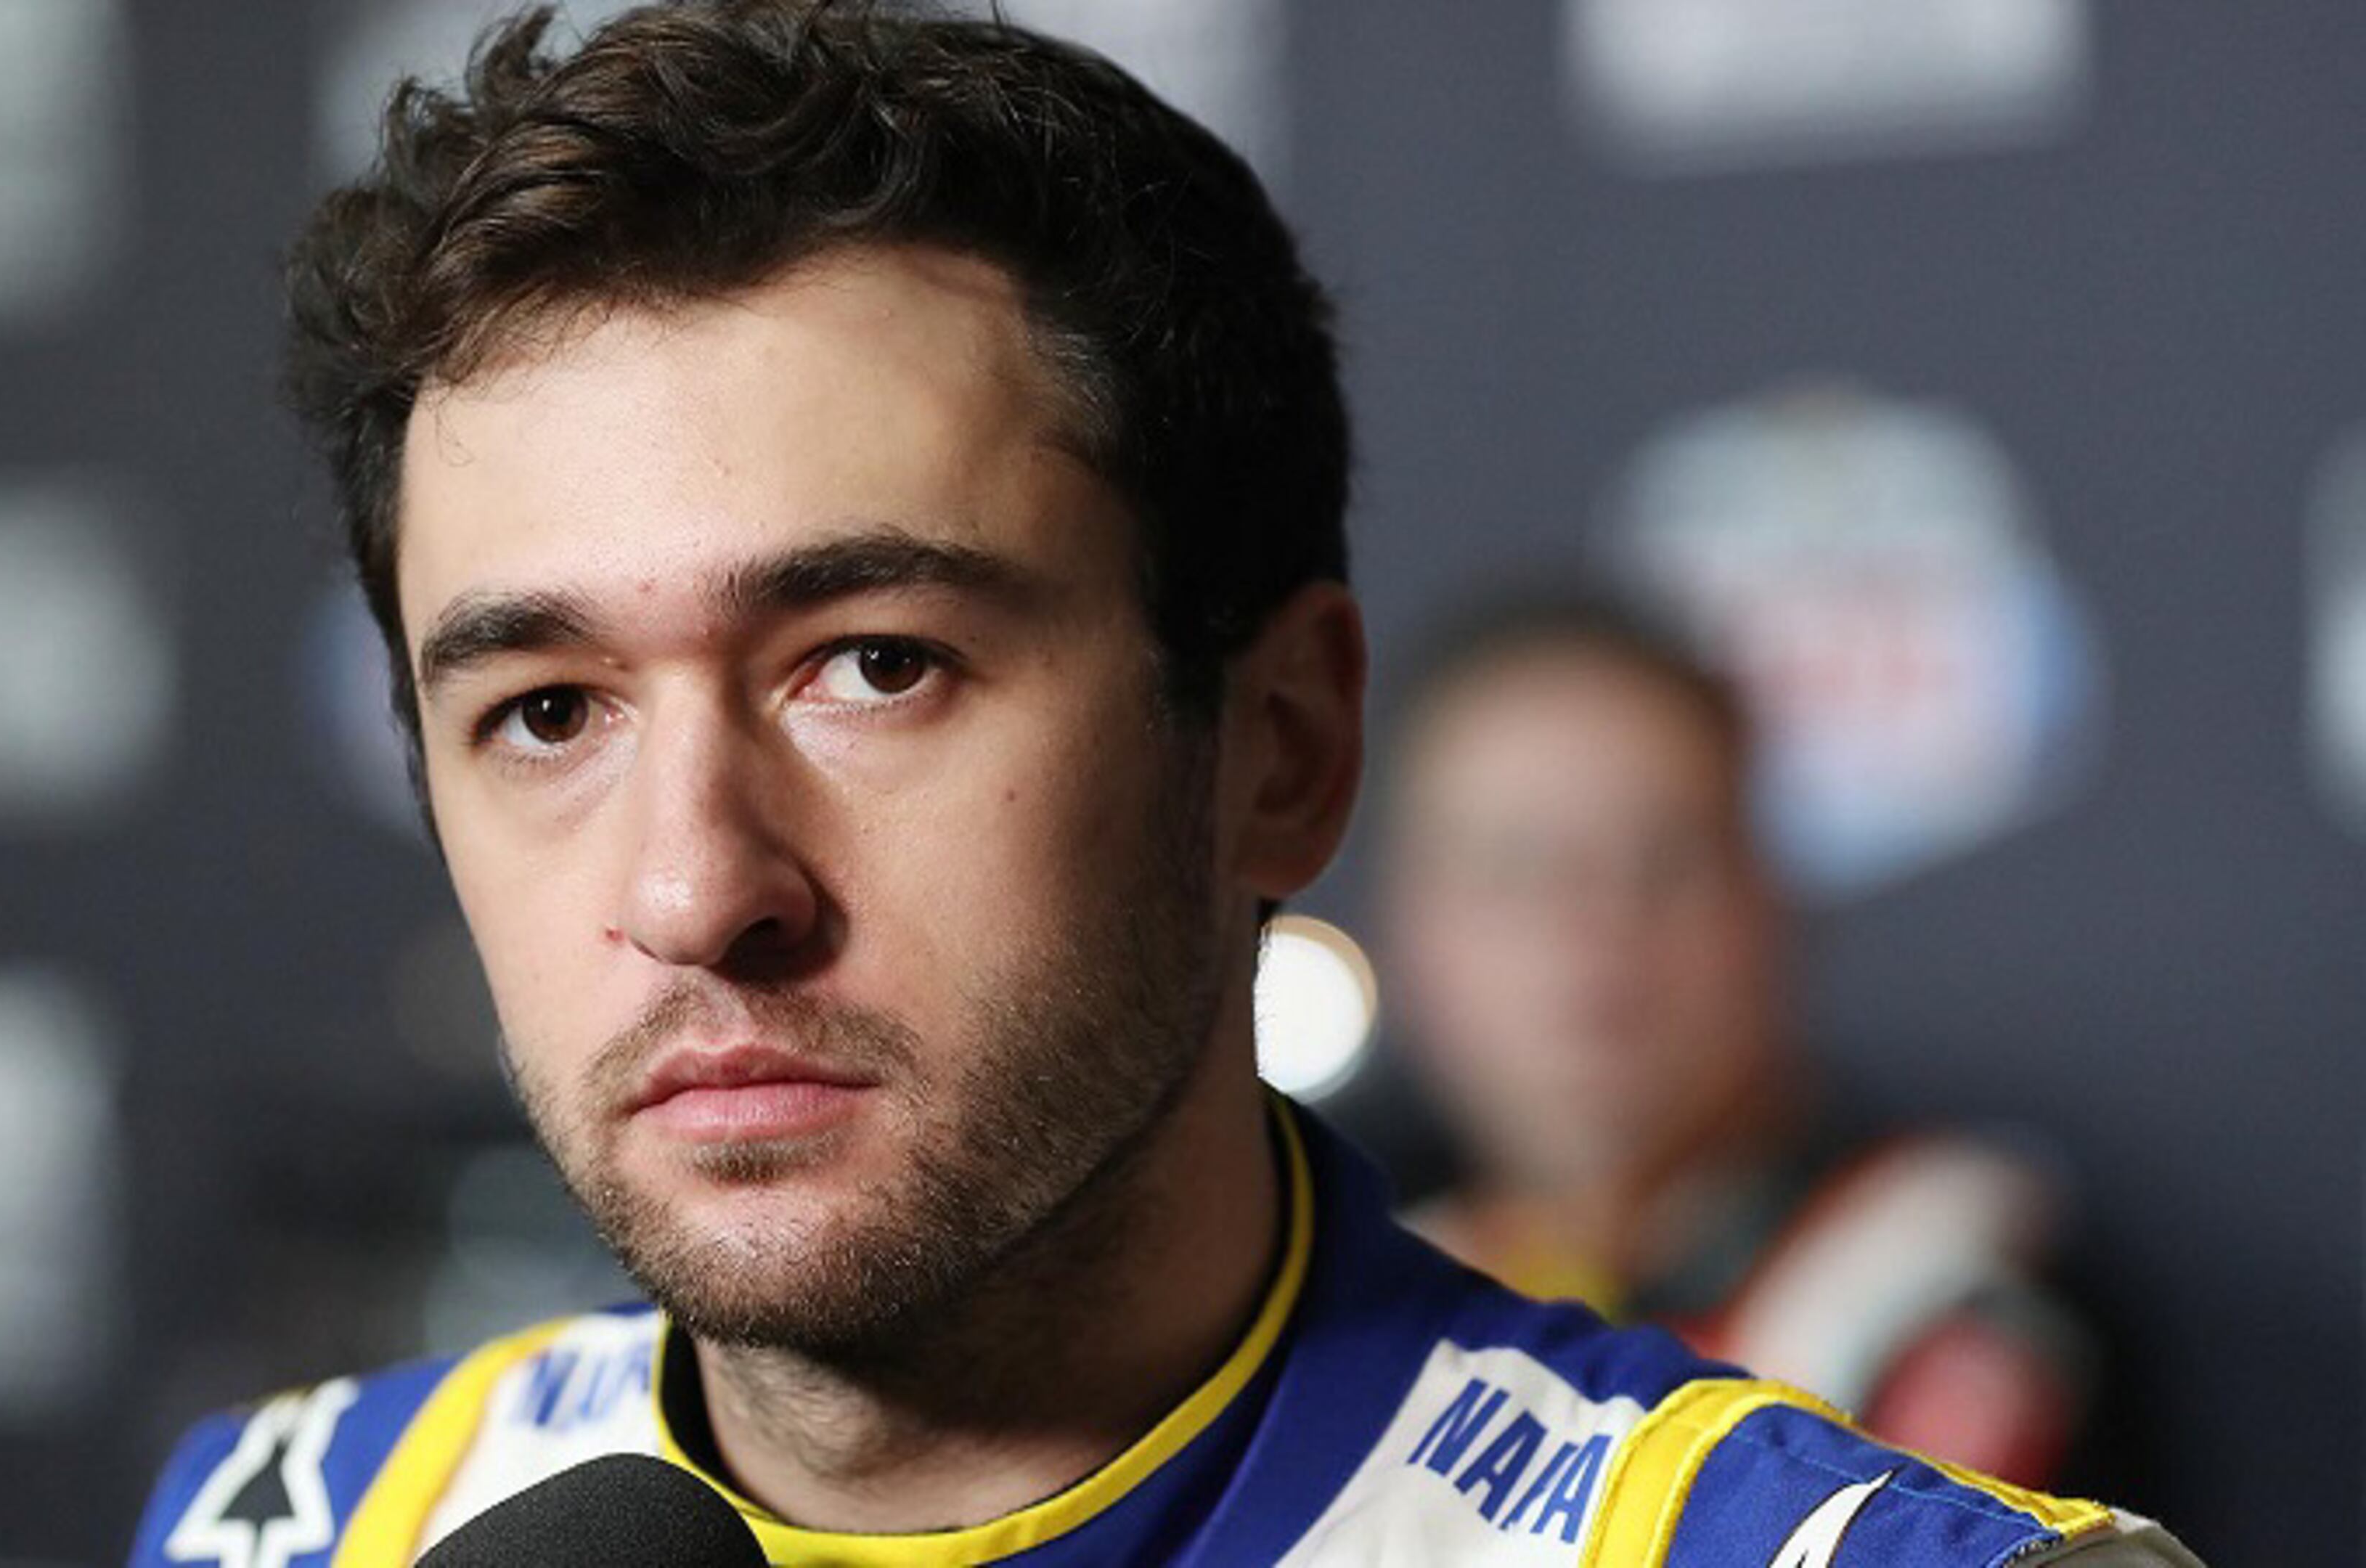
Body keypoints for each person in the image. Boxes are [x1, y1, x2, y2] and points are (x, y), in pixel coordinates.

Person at [130, 4, 2200, 1562]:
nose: (694, 888)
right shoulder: (295, 1531)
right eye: (552, 714)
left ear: (1278, 747)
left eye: (876, 666)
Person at [1375, 595, 2093, 1490]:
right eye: (1514, 870)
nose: (1592, 936)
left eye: (1664, 863)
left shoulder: (1946, 1283)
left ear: (1773, 904)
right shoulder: (1319, 1285)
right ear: (1406, 926)